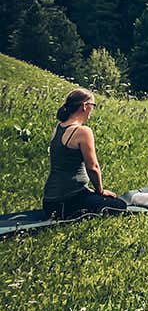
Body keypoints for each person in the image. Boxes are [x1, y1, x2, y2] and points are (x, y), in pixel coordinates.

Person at [43, 89, 128, 220]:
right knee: (119, 205)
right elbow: (93, 167)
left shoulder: (58, 128)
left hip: (49, 203)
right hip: (68, 201)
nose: (92, 110)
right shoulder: (82, 131)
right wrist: (100, 191)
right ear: (84, 106)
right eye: (93, 106)